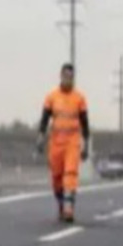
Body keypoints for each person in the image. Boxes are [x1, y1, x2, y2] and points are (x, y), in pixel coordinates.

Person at [37, 63, 89, 223]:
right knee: (57, 177)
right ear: (61, 76)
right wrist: (40, 137)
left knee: (70, 174)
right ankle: (61, 203)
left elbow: (85, 123)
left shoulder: (79, 98)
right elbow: (45, 119)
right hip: (56, 143)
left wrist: (86, 143)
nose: (68, 80)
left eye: (71, 77)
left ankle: (68, 208)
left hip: (72, 143)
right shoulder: (51, 97)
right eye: (66, 76)